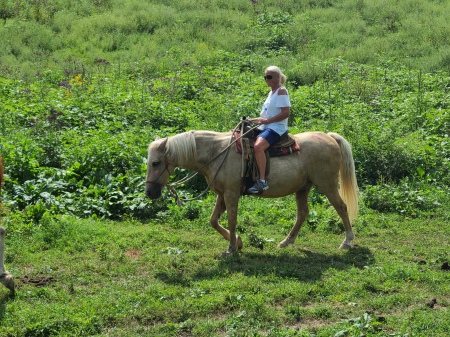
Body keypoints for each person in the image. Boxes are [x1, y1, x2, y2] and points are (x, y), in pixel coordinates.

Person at [247, 66, 291, 194]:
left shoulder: (281, 91)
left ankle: (262, 181)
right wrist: (252, 120)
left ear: (277, 77)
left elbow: (286, 113)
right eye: (265, 77)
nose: (266, 79)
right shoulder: (271, 93)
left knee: (258, 146)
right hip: (267, 126)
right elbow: (265, 116)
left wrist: (267, 121)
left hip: (277, 127)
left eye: (269, 77)